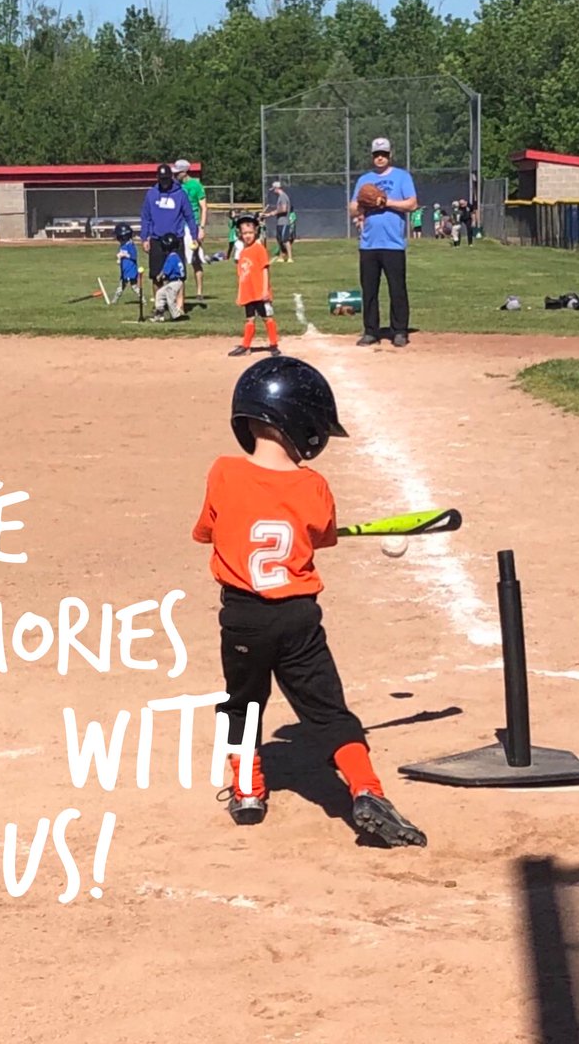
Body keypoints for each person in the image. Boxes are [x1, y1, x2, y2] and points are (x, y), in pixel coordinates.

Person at [191, 355, 427, 847]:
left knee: (242, 704)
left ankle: (248, 789)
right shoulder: (313, 486)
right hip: (299, 620)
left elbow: (208, 531)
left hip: (243, 619)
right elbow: (318, 535)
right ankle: (366, 789)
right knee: (328, 711)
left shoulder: (222, 473)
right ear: (304, 426)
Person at [350, 138, 418, 348]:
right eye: (377, 154)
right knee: (369, 290)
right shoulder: (364, 179)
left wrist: (385, 202)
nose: (380, 157)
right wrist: (364, 205)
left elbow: (412, 204)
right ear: (372, 156)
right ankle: (371, 331)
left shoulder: (402, 177)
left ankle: (399, 331)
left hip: (393, 244)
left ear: (390, 155)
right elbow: (352, 207)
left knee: (397, 289)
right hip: (369, 244)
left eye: (384, 154)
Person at [228, 213, 279, 358]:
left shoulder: (259, 249)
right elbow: (241, 276)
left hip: (260, 292)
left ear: (255, 232)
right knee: (249, 319)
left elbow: (265, 269)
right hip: (248, 292)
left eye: (250, 232)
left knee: (267, 317)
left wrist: (265, 290)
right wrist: (240, 294)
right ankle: (246, 346)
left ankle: (274, 344)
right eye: (244, 233)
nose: (247, 236)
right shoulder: (243, 252)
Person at [140, 163, 198, 285]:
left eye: (166, 178)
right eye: (162, 179)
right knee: (156, 276)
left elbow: (190, 217)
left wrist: (194, 236)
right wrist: (144, 238)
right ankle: (159, 303)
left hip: (176, 240)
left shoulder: (181, 194)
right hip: (156, 239)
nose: (164, 182)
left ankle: (178, 304)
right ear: (157, 178)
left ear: (171, 177)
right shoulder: (151, 194)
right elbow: (146, 217)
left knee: (178, 276)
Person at [173, 160, 207, 306]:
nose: (175, 175)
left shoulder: (196, 185)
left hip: (192, 225)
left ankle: (199, 292)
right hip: (178, 226)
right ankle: (179, 293)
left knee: (195, 260)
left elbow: (204, 207)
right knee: (178, 259)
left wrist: (202, 228)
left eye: (177, 172)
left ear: (184, 172)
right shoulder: (175, 186)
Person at [150, 236, 187, 322]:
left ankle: (177, 316)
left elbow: (166, 271)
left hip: (175, 282)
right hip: (175, 282)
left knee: (170, 300)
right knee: (160, 293)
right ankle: (159, 314)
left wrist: (160, 276)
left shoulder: (171, 258)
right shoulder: (176, 256)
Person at [263, 181, 293, 263]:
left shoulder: (283, 197)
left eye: (274, 189)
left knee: (285, 240)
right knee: (279, 240)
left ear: (277, 188)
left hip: (284, 222)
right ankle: (282, 256)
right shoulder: (280, 197)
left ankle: (290, 257)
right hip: (280, 222)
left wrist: (272, 213)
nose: (273, 191)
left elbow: (284, 209)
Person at [115, 222, 141, 302]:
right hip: (124, 270)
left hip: (131, 270)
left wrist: (125, 255)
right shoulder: (122, 245)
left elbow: (134, 256)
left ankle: (142, 299)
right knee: (121, 286)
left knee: (134, 287)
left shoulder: (130, 245)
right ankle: (114, 300)